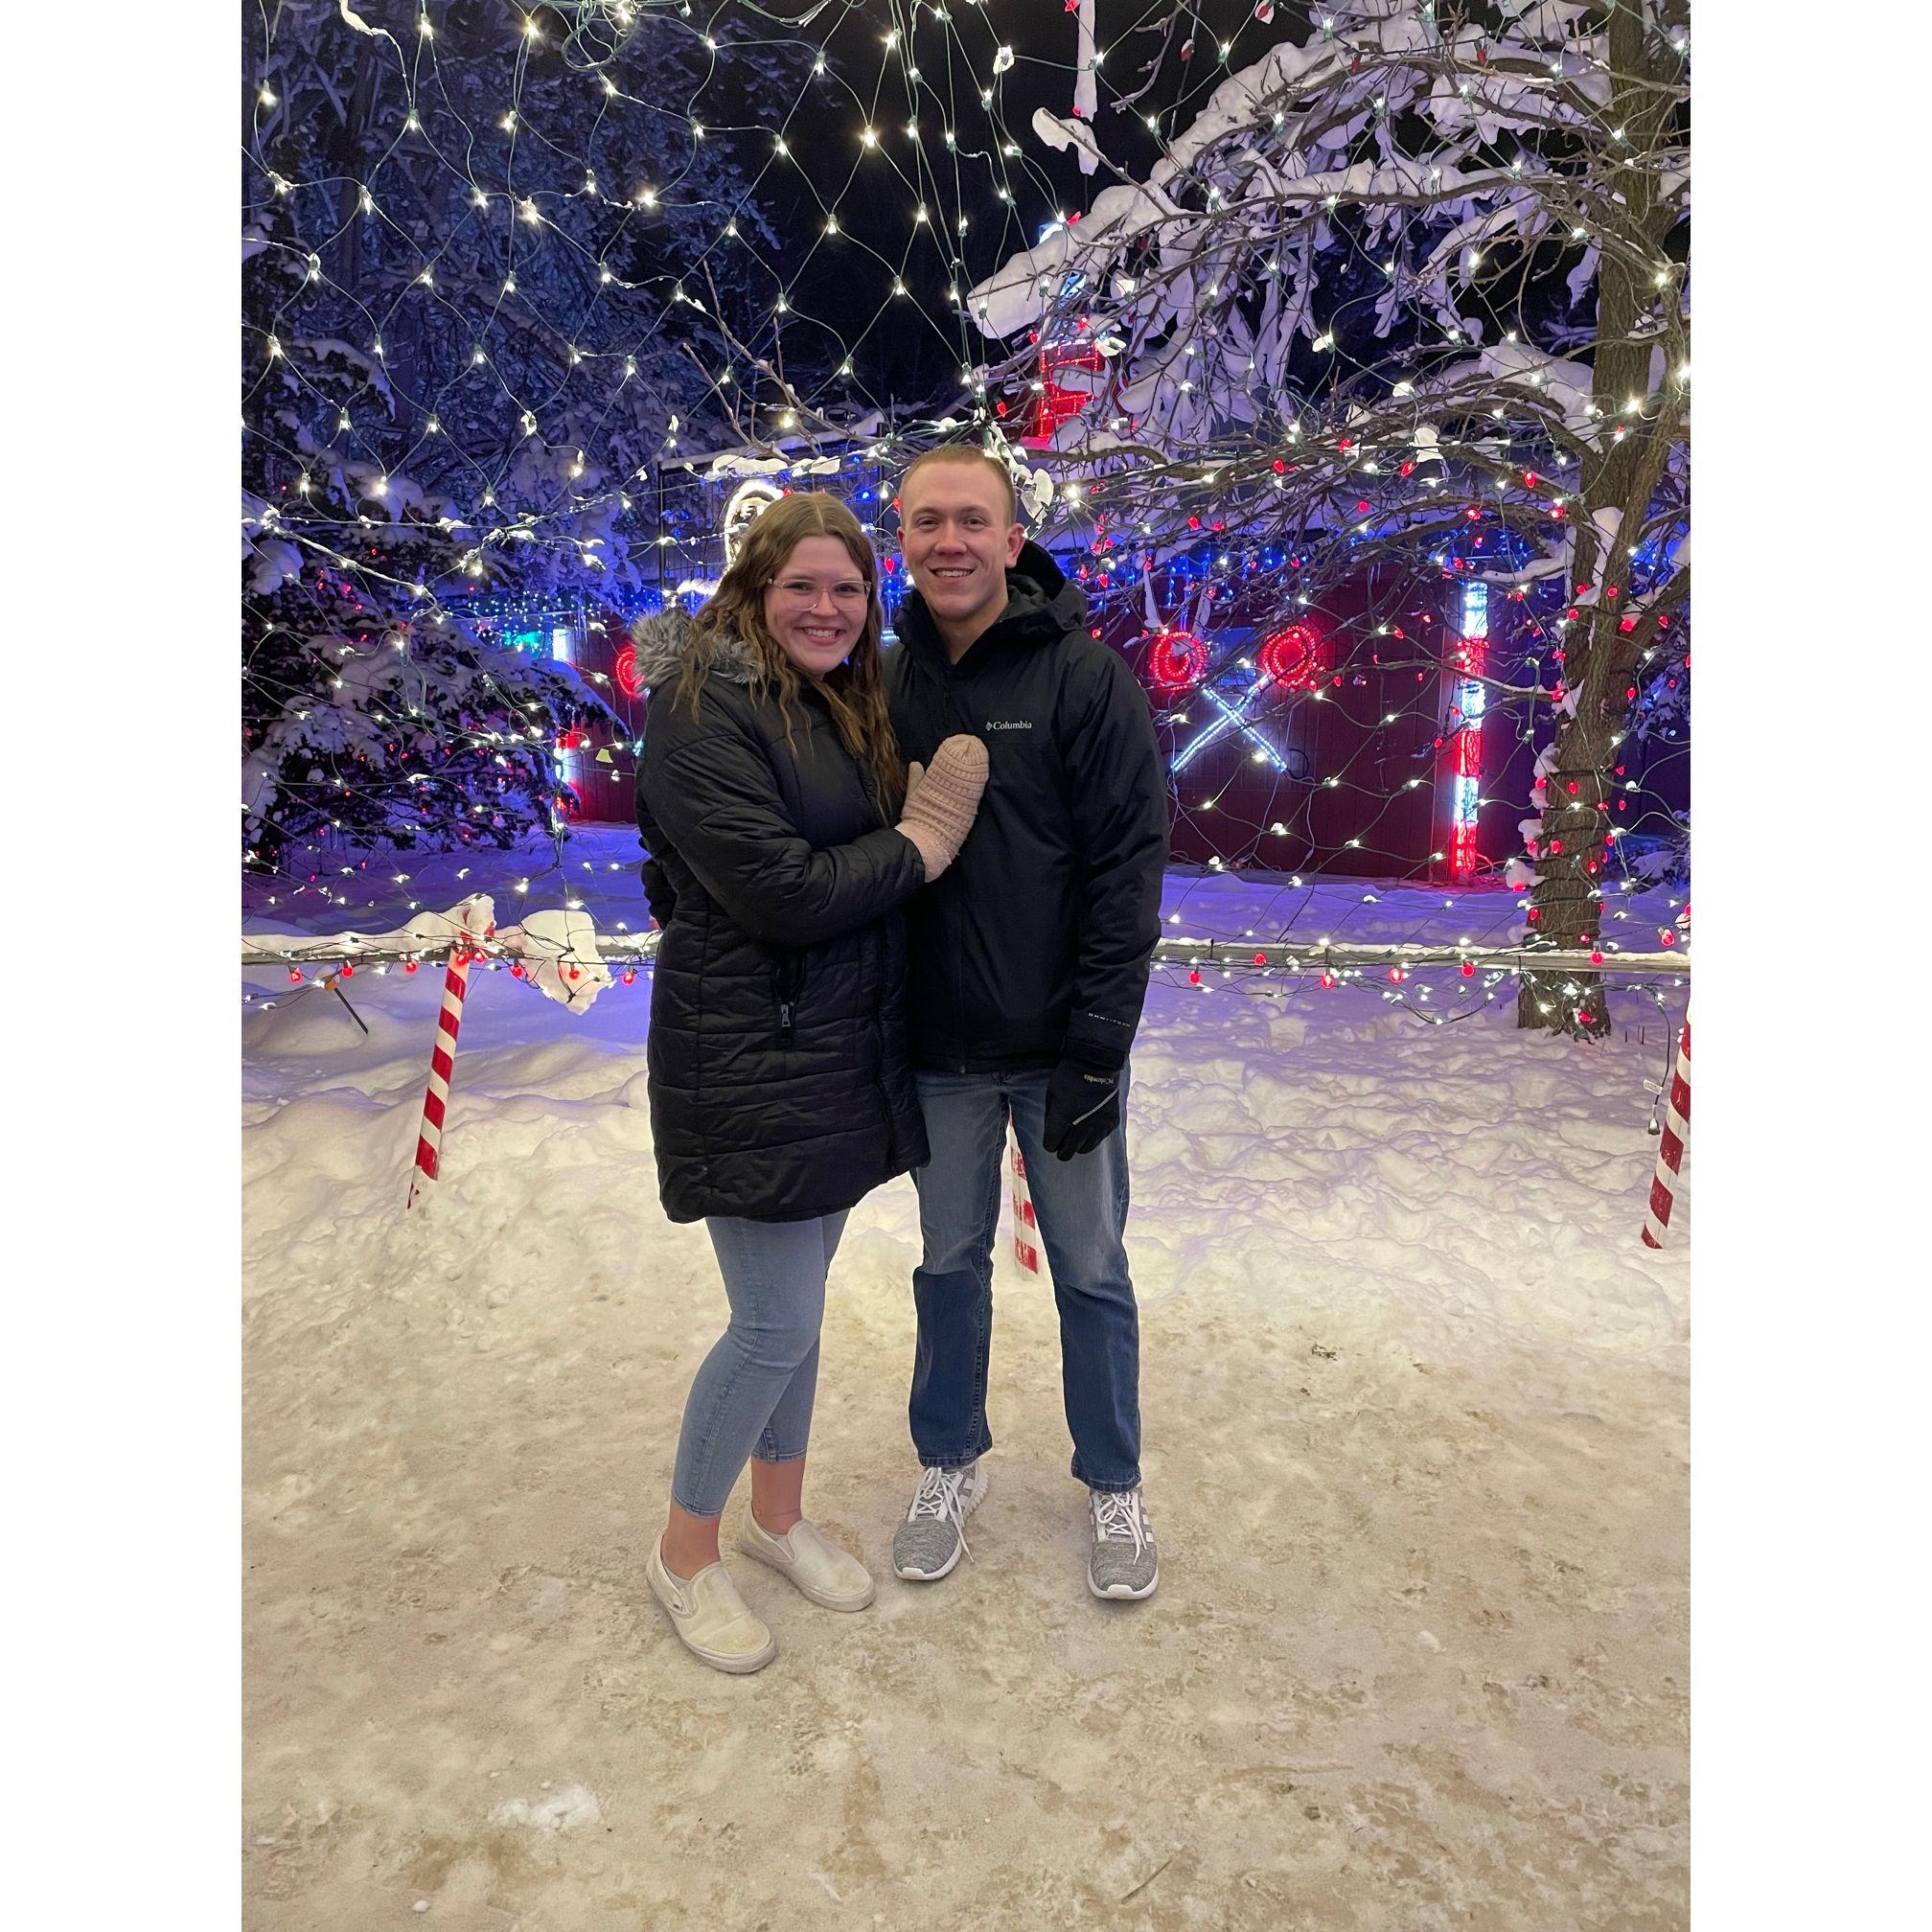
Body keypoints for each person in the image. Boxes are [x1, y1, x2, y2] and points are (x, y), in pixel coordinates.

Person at [632, 493, 988, 1673]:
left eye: (847, 589)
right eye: (803, 588)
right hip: (746, 1055)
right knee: (771, 1321)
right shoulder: (700, 709)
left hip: (830, 1049)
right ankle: (685, 1553)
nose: (828, 609)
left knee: (798, 1315)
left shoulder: (838, 701)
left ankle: (775, 1516)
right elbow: (779, 890)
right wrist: (921, 844)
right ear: (755, 589)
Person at [883, 446, 1171, 1601]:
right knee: (947, 1262)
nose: (948, 542)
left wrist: (1100, 1039)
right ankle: (949, 1460)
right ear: (899, 538)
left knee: (1092, 1269)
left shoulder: (1086, 680)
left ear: (1013, 540)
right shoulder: (882, 679)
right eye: (924, 522)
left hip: (1061, 1052)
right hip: (939, 1052)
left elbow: (1127, 865)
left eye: (972, 521)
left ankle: (1113, 1478)